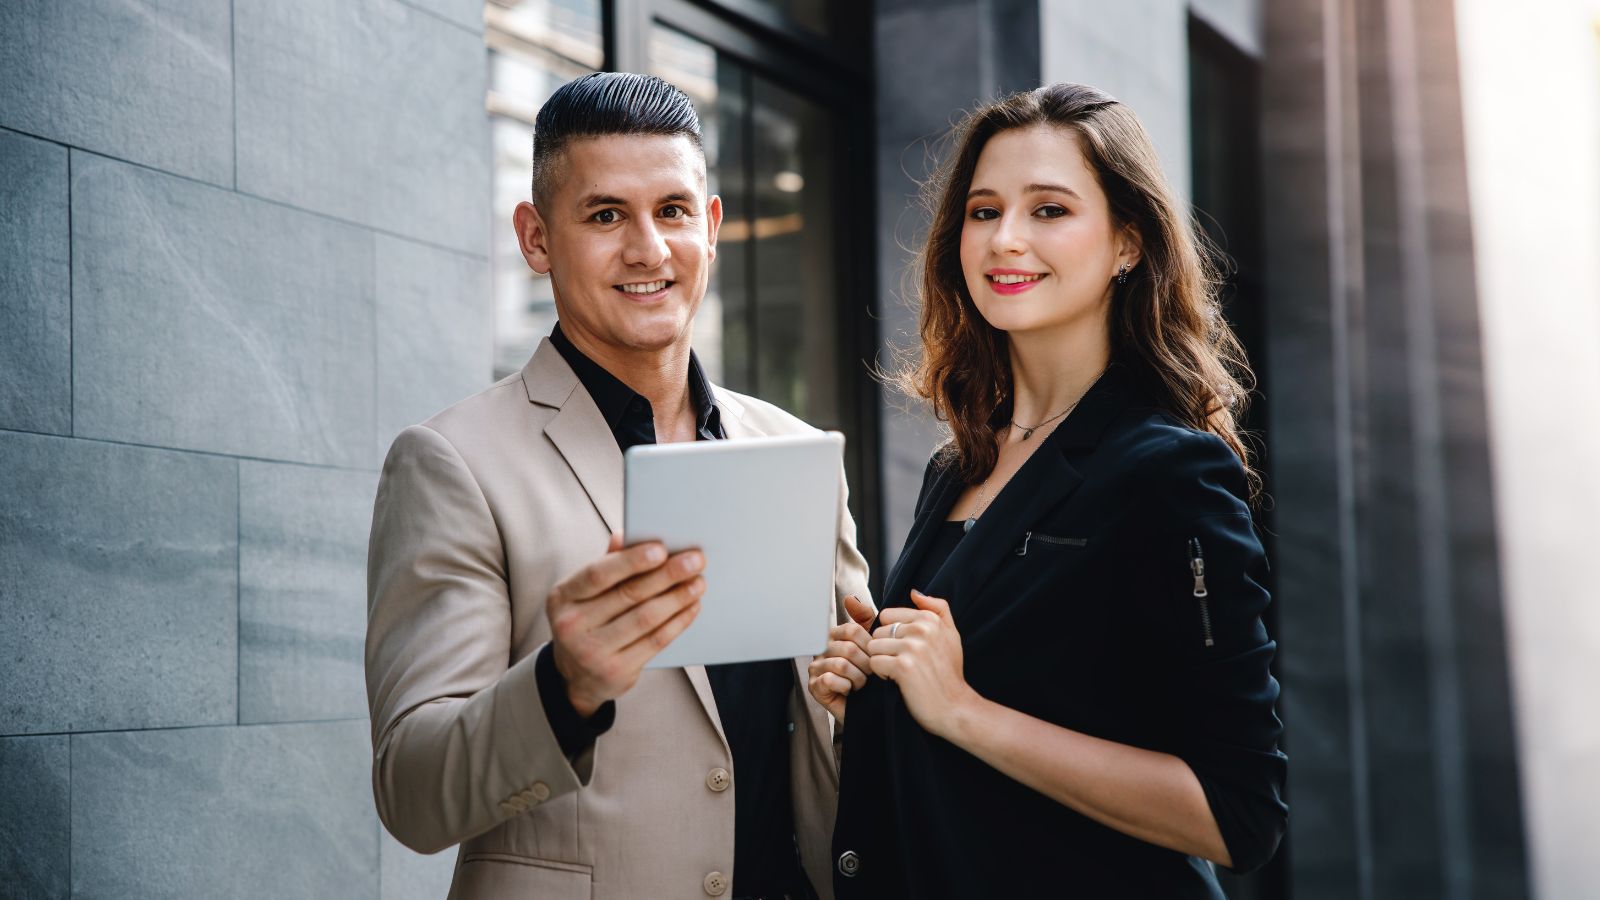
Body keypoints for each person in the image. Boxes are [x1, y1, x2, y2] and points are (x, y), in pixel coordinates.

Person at [365, 72, 872, 900]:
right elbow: (413, 793)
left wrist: (866, 701)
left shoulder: (797, 447)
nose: (648, 249)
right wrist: (563, 686)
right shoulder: (451, 462)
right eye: (606, 215)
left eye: (673, 211)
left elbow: (837, 740)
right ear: (535, 239)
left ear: (710, 229)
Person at [810, 83, 1288, 898]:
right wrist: (879, 694)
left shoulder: (1170, 471)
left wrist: (960, 708)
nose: (1007, 240)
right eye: (984, 210)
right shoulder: (958, 464)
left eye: (1050, 210)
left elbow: (1237, 814)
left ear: (1127, 244)